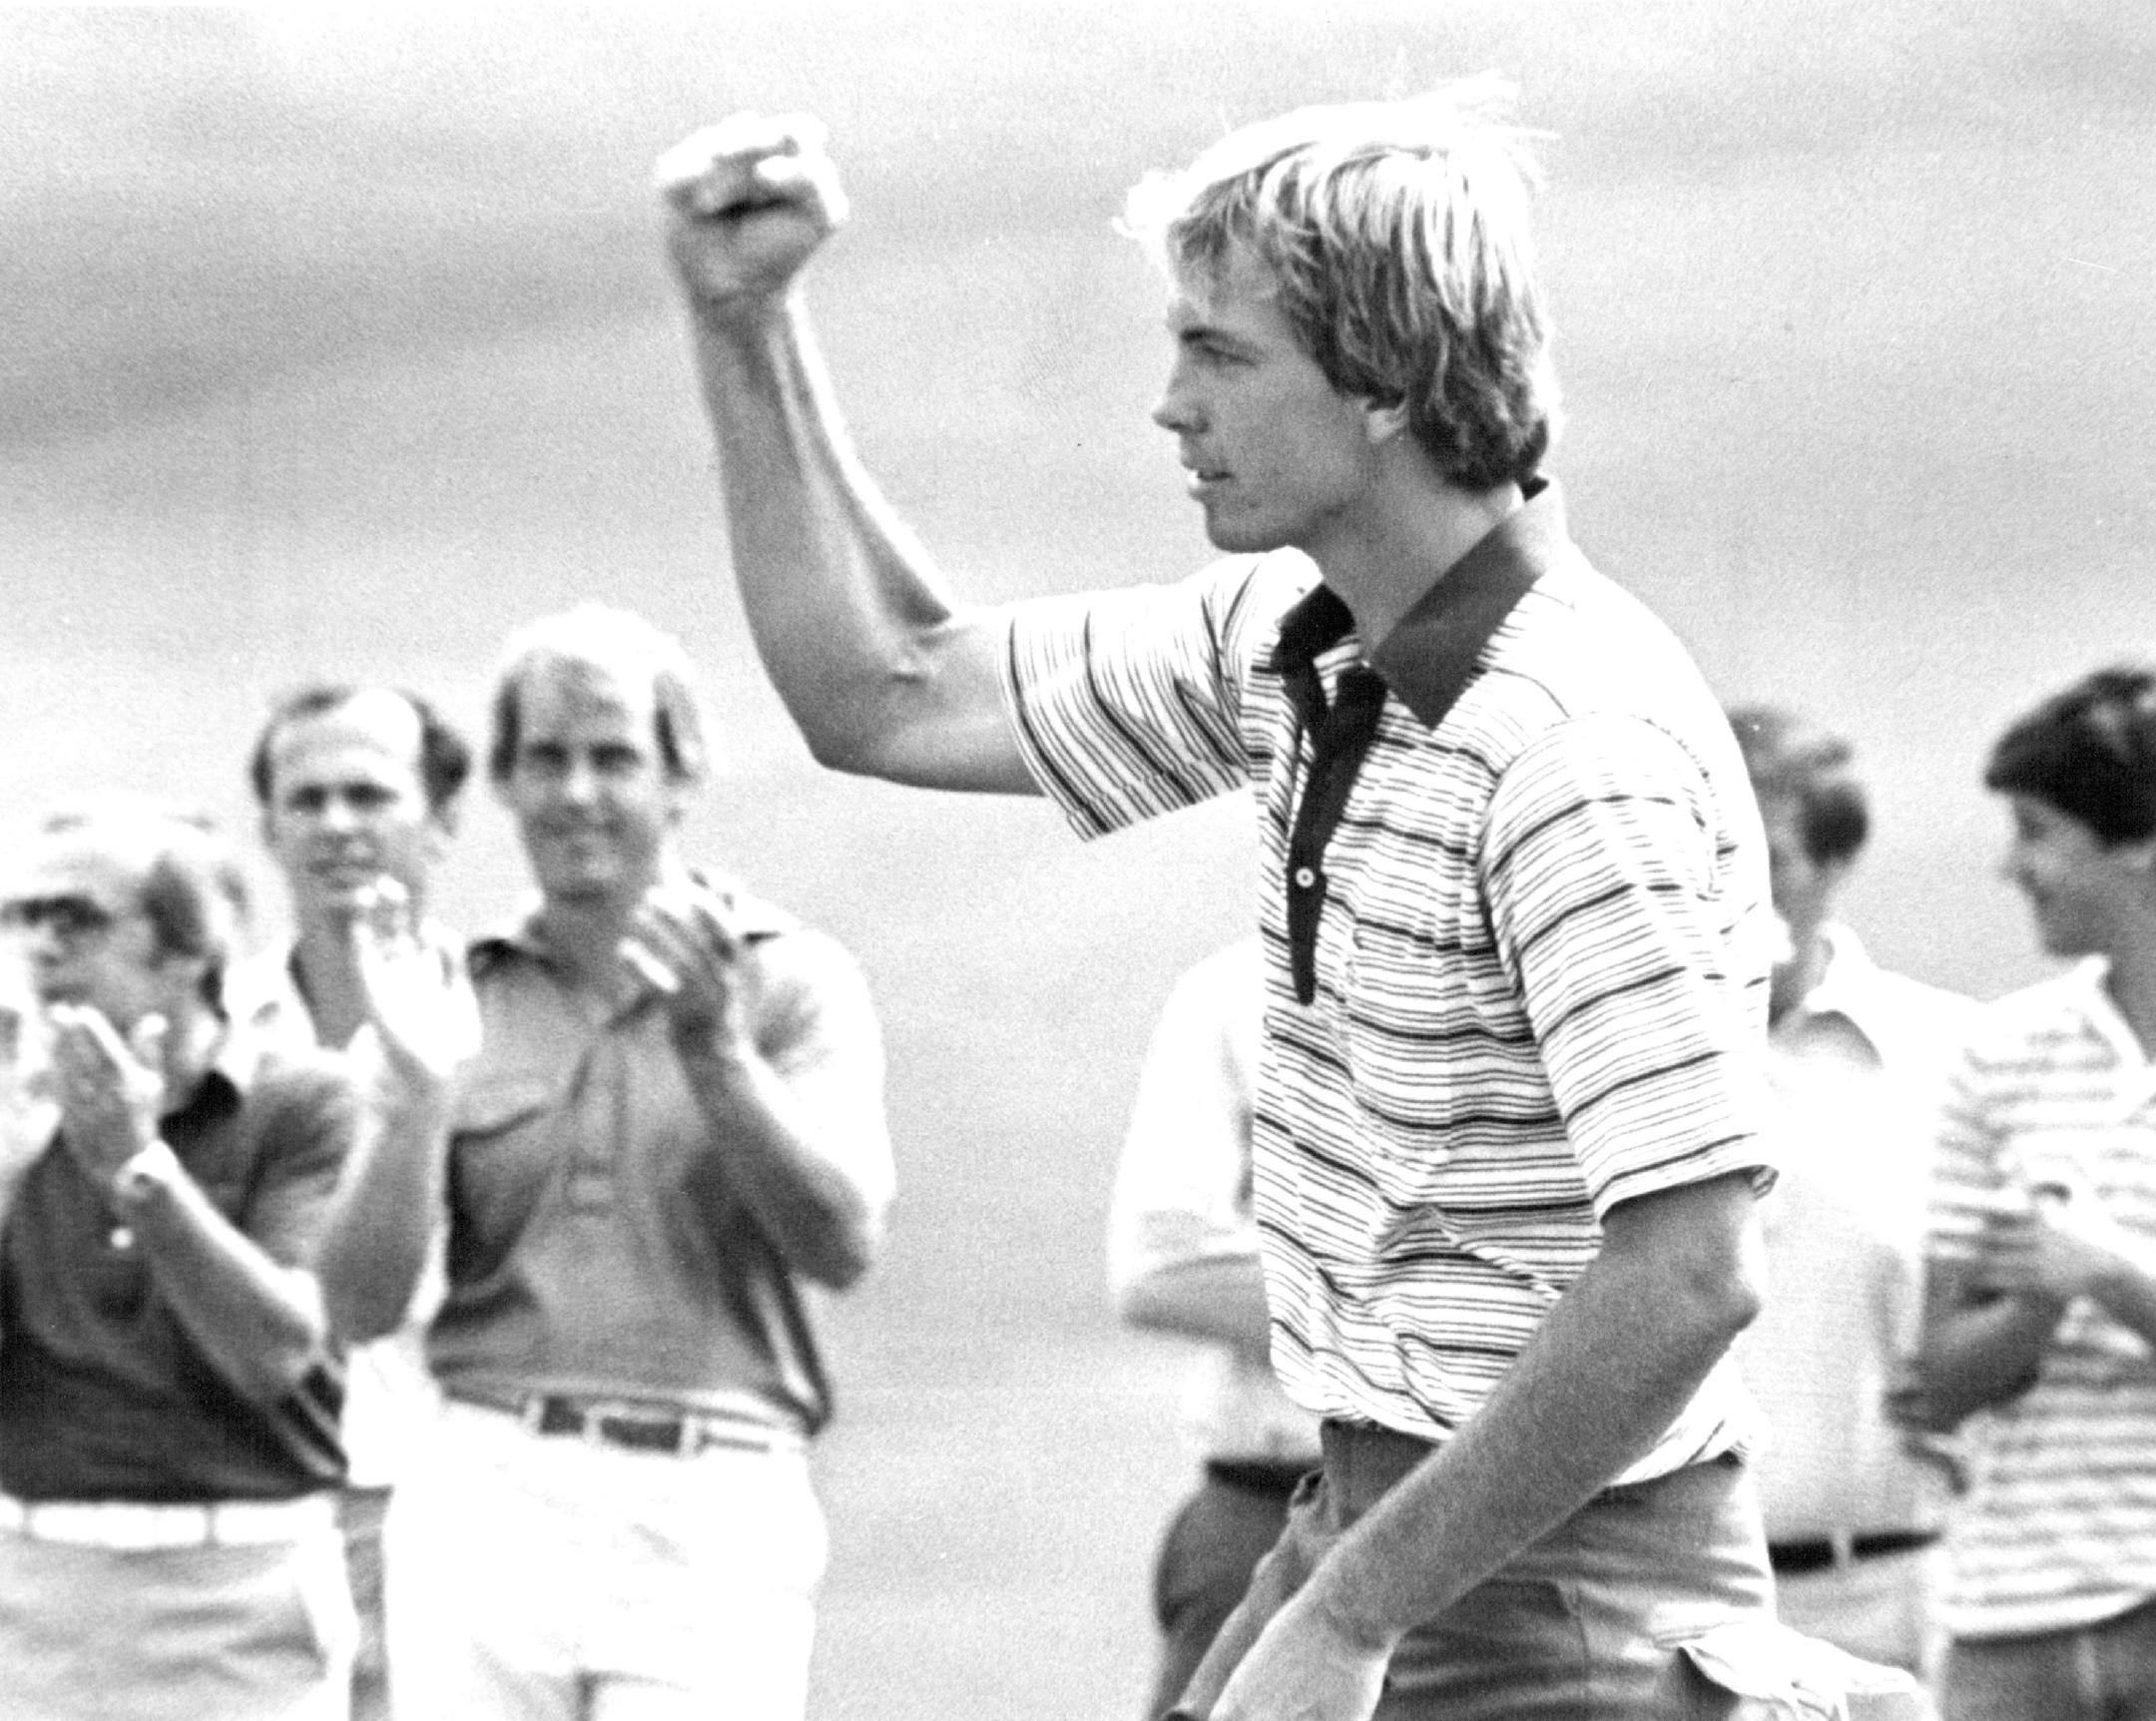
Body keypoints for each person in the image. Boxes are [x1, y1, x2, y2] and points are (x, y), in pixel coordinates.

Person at [650, 87, 1901, 1720]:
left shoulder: (1571, 741)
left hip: (1556, 1595)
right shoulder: (1293, 642)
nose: (1170, 407)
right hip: (1380, 1529)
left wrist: (1349, 1615)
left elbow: (1689, 1273)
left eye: (1219, 354)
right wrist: (744, 323)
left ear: (1386, 373)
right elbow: (879, 694)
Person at [317, 604, 895, 1721]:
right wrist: (419, 1096)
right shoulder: (449, 992)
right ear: (506, 783)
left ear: (681, 778)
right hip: (487, 1483)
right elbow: (355, 1300)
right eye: (546, 759)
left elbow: (841, 1243)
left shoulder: (786, 980)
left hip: (714, 1491)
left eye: (614, 757)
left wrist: (717, 1053)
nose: (577, 793)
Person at [0, 800, 360, 1720]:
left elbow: (279, 1353)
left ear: (188, 950)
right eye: (23, 917)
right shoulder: (17, 1114)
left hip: (238, 1605)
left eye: (74, 919)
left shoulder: (301, 1104)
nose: (40, 947)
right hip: (33, 1598)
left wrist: (137, 1169)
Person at [1903, 665, 2156, 1721]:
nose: (2014, 864)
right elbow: (1939, 1382)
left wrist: (2103, 1272)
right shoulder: (1997, 1054)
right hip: (2010, 1622)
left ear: (2137, 844)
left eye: (2039, 829)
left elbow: (2096, 1271)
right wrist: (2038, 1302)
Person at [234, 683, 475, 1721]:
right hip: (257, 1498)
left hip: (456, 1496)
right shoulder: (218, 1038)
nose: (336, 824)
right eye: (309, 798)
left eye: (370, 793)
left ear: (443, 818)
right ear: (270, 829)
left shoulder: (500, 1014)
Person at [1724, 706, 1977, 1676]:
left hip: (1890, 1606)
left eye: (1765, 858)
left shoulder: (1952, 1057)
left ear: (1833, 864)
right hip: (1657, 1612)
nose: (1728, 888)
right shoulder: (1606, 1062)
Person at [1109, 938, 1325, 1720]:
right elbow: (1165, 1269)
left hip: (1535, 1529)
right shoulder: (1243, 989)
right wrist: (1466, 1329)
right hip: (1275, 1507)